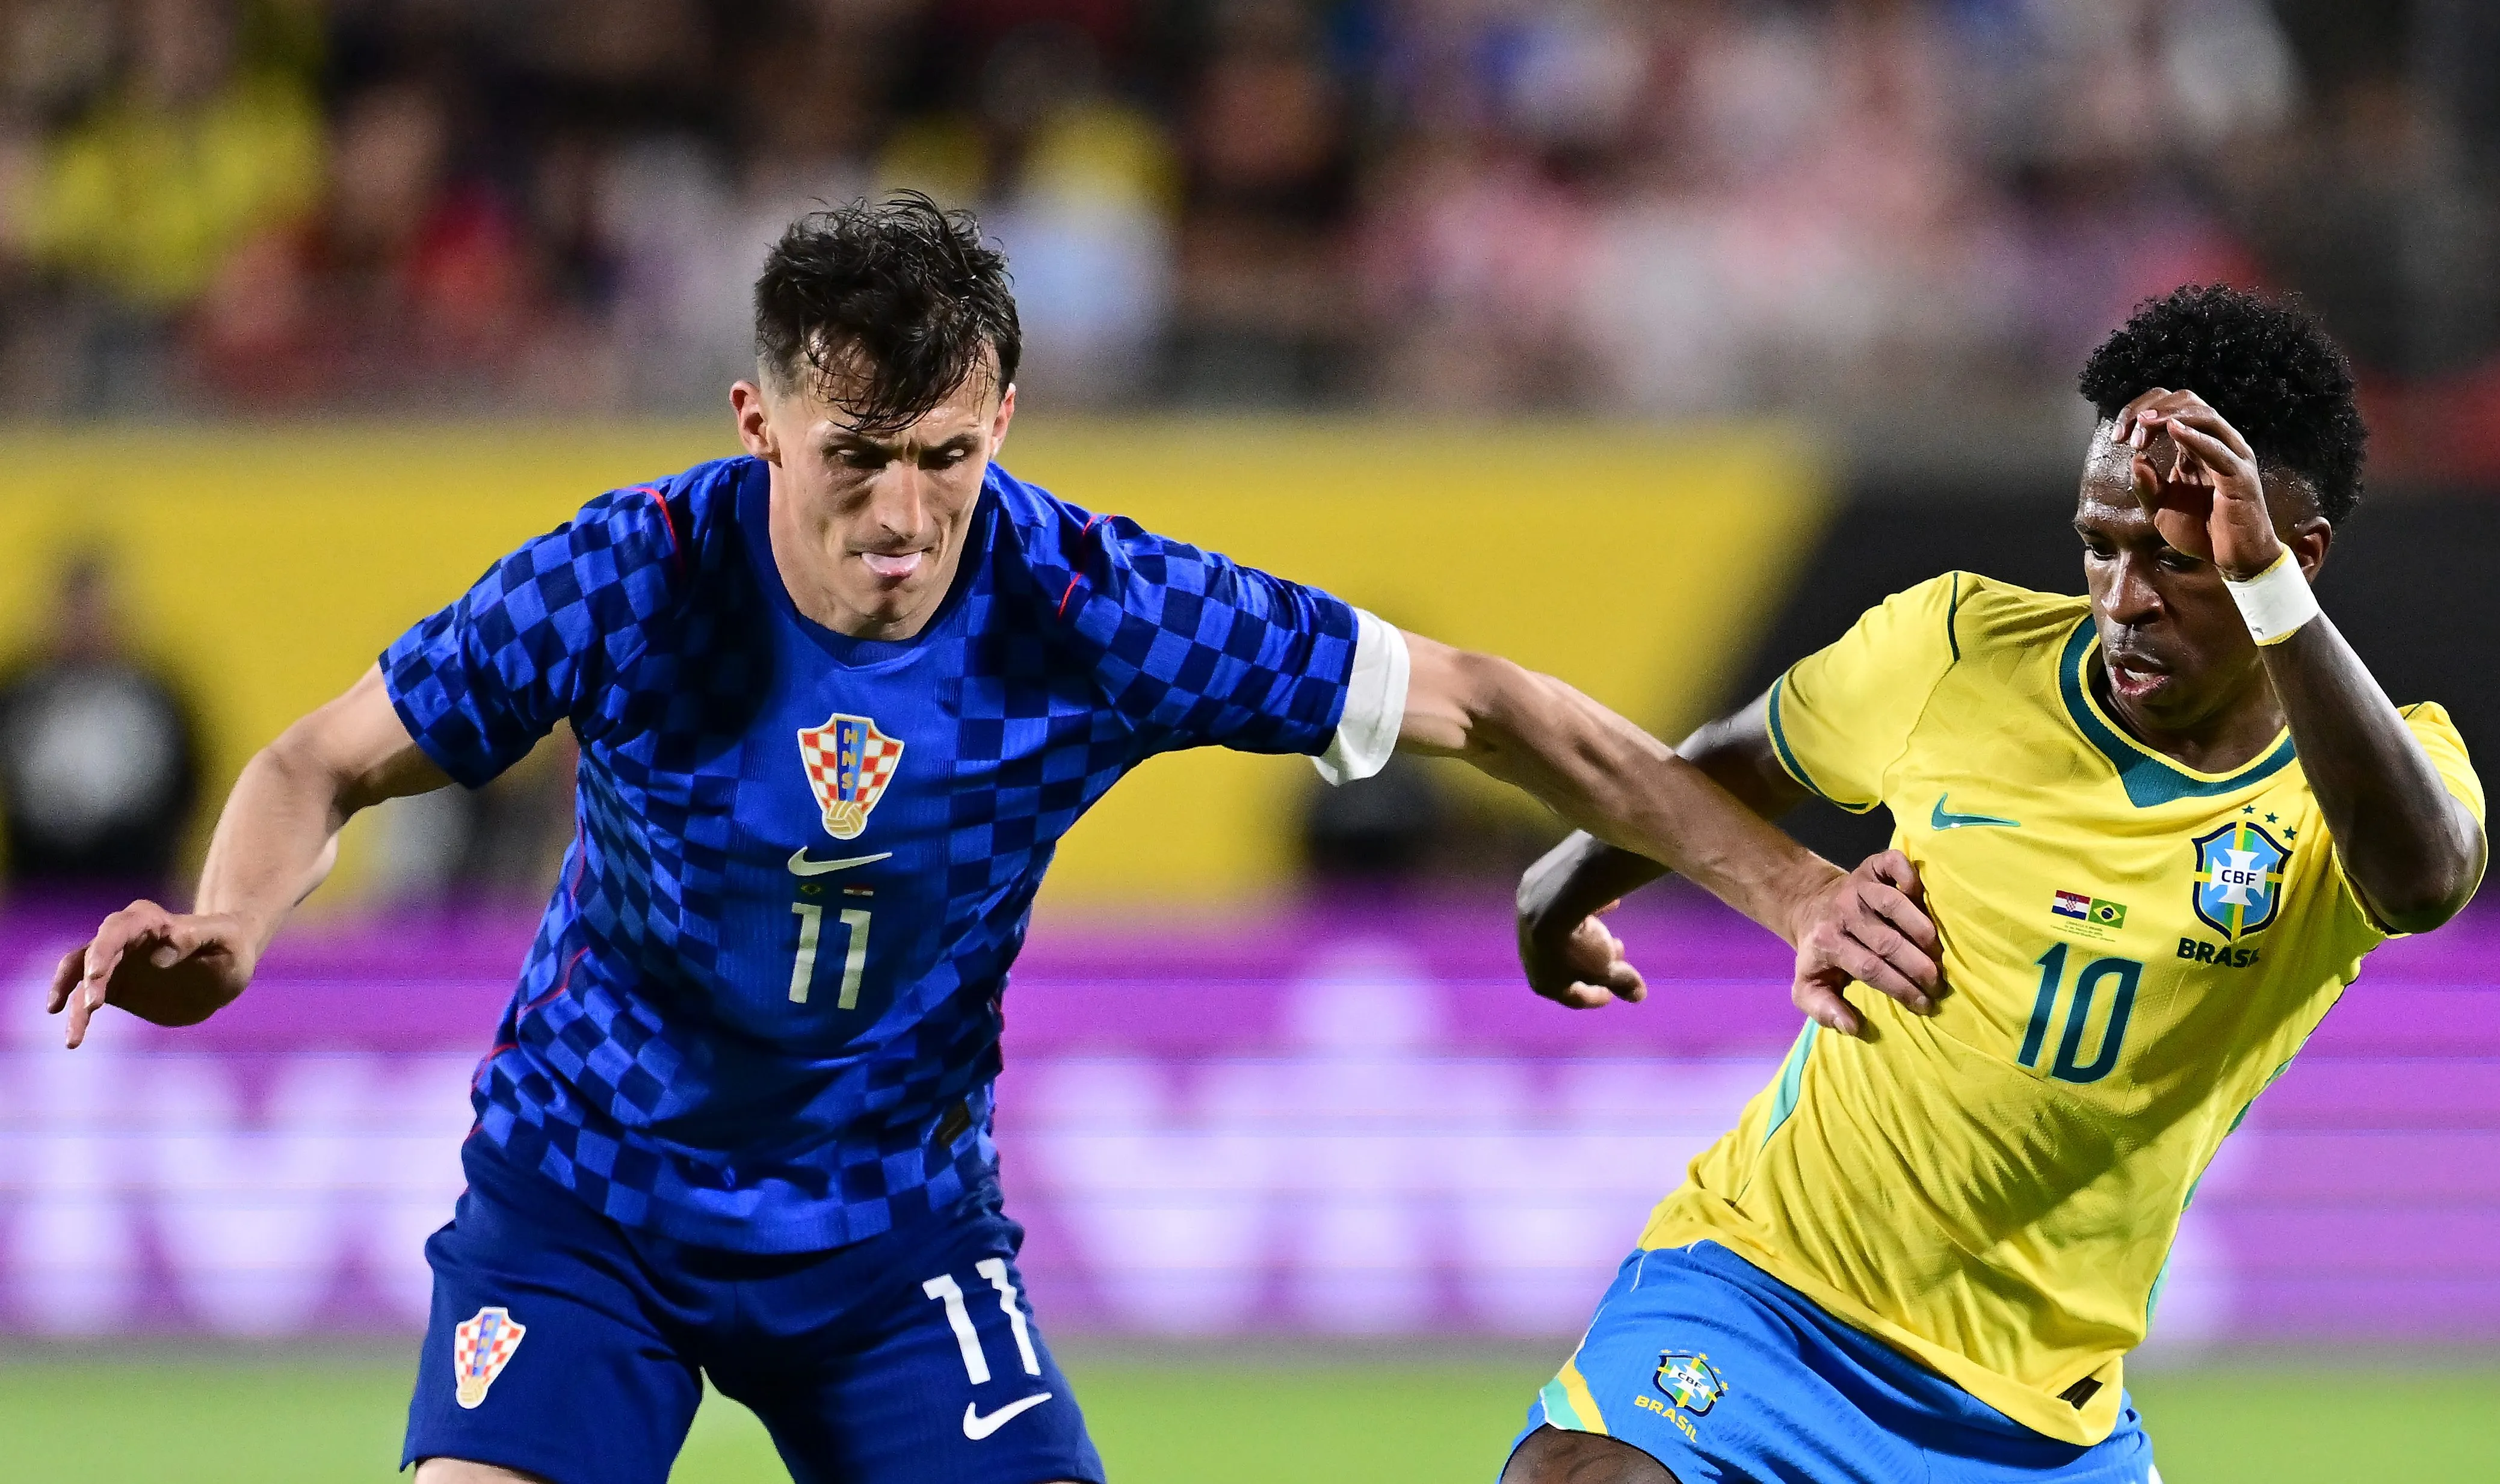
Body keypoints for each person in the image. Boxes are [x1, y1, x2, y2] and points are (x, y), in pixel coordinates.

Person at [45, 196, 1933, 1484]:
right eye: (850, 457)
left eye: (946, 458)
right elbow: (318, 762)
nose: (901, 513)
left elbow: (1485, 705)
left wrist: (1782, 889)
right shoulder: (630, 576)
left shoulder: (1091, 602)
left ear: (1003, 421)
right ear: (754, 419)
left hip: (888, 1236)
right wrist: (232, 926)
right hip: (587, 1211)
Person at [1506, 284, 2486, 1484]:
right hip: (1770, 1296)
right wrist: (1558, 893)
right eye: (2100, 545)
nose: (2122, 602)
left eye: (2177, 562)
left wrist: (2265, 589)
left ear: (2294, 553)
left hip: (2034, 1419)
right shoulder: (1953, 651)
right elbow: (1713, 771)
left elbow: (2423, 880)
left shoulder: (2375, 778)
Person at [0, 554, 205, 903]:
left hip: (136, 886)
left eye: (96, 615)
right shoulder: (20, 696)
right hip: (37, 889)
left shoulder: (156, 698)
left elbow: (191, 782)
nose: (86, 629)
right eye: (76, 616)